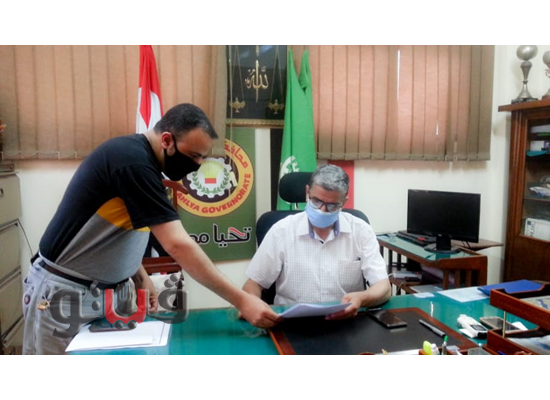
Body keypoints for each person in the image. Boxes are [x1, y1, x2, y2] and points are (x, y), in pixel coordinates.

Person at [22, 103, 281, 355]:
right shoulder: (131, 161)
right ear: (167, 140)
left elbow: (116, 233)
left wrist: (140, 276)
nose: (199, 164)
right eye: (194, 155)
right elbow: (178, 245)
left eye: (203, 157)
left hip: (112, 293)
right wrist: (242, 300)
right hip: (67, 294)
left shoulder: (146, 165)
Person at [243, 165, 391, 320]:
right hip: (293, 323)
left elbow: (384, 287)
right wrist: (254, 306)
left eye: (332, 205)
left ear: (344, 201)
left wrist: (362, 298)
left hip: (346, 321)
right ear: (307, 192)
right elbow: (252, 286)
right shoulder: (281, 231)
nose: (322, 210)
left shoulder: (361, 231)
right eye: (316, 201)